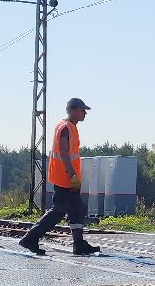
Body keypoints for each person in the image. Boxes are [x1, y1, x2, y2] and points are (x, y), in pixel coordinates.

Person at [19, 98, 100, 256]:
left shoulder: (70, 127)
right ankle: (30, 238)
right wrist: (72, 175)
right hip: (66, 177)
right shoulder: (65, 128)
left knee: (77, 208)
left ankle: (78, 244)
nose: (85, 113)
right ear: (73, 110)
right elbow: (63, 152)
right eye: (82, 110)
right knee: (58, 211)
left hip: (69, 176)